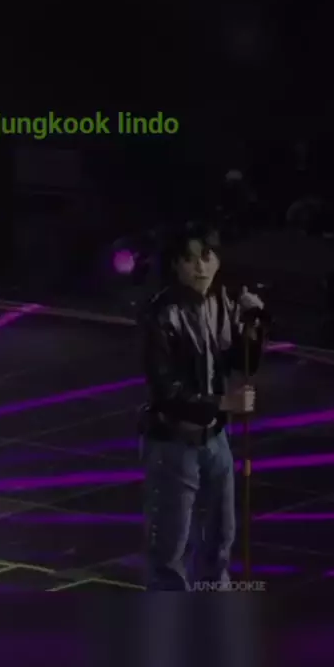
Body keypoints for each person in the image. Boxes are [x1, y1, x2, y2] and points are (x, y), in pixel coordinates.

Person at [139, 222, 266, 590]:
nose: (200, 267)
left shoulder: (221, 302)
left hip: (216, 439)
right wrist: (224, 402)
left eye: (207, 257)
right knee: (170, 547)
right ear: (176, 265)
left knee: (220, 537)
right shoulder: (161, 314)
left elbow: (241, 361)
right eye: (190, 259)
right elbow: (166, 391)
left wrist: (253, 324)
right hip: (173, 442)